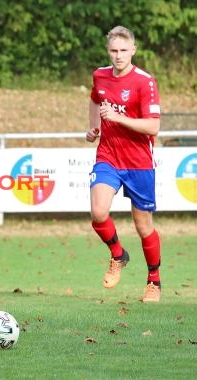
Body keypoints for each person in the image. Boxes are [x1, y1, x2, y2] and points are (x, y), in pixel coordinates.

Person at [86, 26, 162, 302]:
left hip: (139, 161)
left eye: (123, 50)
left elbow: (153, 126)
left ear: (133, 50)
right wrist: (93, 127)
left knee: (143, 226)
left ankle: (154, 280)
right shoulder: (100, 75)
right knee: (98, 211)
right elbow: (95, 99)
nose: (118, 56)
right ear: (108, 51)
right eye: (113, 51)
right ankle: (118, 254)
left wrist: (118, 119)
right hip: (108, 156)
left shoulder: (145, 82)